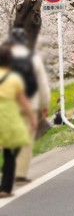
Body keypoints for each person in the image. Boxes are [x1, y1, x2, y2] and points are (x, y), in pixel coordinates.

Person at [8, 28, 50, 185]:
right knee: (26, 139)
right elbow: (42, 84)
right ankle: (20, 174)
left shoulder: (5, 58)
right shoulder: (33, 59)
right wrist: (45, 104)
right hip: (30, 104)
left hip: (9, 104)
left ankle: (8, 171)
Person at [0, 44, 37, 198]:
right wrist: (32, 118)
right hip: (8, 116)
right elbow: (23, 101)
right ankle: (5, 188)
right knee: (10, 152)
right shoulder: (14, 79)